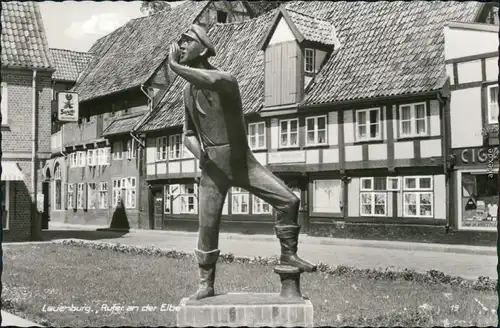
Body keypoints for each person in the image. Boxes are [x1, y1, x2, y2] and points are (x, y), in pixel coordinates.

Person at [168, 24, 317, 301]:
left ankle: (289, 256)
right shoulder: (187, 93)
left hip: (242, 163)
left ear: (203, 48)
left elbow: (209, 81)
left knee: (289, 202)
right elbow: (187, 133)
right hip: (213, 167)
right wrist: (199, 153)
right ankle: (205, 282)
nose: (182, 46)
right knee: (207, 226)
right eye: (181, 42)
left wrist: (174, 67)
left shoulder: (226, 79)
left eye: (187, 41)